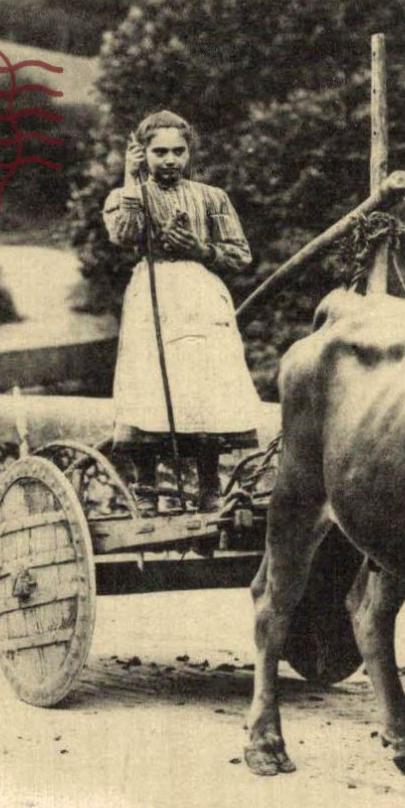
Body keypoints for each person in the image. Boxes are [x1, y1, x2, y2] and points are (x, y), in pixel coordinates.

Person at [101, 110, 262, 511]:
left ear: (189, 152)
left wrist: (200, 249)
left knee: (204, 382)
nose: (170, 160)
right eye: (159, 152)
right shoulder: (126, 197)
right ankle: (146, 487)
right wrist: (130, 179)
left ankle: (209, 486)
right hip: (153, 293)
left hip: (201, 295)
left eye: (178, 151)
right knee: (149, 382)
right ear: (143, 154)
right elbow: (124, 234)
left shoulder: (213, 198)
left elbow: (241, 255)